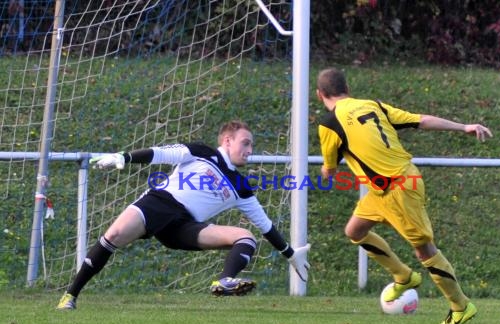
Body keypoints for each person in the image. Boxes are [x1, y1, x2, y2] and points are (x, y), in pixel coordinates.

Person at [57, 120, 310, 310]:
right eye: (245, 142)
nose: (250, 149)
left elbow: (265, 225)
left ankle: (224, 281)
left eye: (251, 144)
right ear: (227, 141)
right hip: (160, 203)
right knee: (113, 236)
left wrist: (291, 254)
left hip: (185, 226)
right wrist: (124, 157)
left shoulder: (241, 186)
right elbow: (161, 153)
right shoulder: (202, 152)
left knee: (246, 237)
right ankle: (70, 296)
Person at [315, 68, 492, 324]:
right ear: (348, 89)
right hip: (384, 188)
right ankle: (403, 277)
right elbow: (420, 120)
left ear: (320, 95)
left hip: (398, 186)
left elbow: (330, 170)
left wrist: (326, 171)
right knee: (355, 230)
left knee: (424, 250)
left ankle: (461, 306)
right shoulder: (371, 105)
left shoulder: (329, 124)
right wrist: (463, 127)